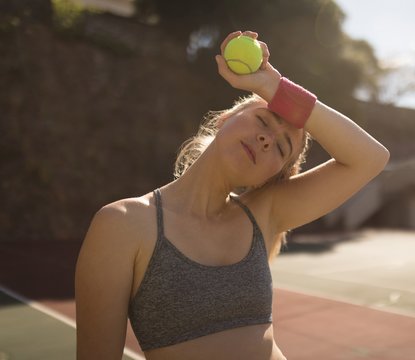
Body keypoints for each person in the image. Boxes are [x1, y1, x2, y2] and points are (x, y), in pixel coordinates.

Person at [75, 30, 390, 360]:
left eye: (281, 147)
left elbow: (370, 158)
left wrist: (273, 87)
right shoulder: (123, 224)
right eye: (263, 120)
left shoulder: (264, 214)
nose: (268, 139)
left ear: (271, 176)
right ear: (225, 119)